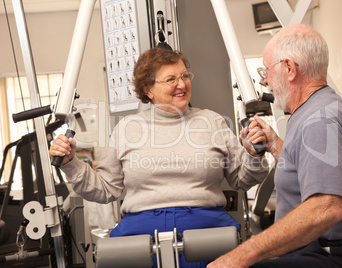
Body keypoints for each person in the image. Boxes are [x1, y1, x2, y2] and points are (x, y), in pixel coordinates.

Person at [49, 48, 269, 268]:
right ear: (148, 90)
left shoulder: (212, 122)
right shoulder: (127, 129)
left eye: (184, 76)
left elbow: (242, 179)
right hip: (140, 233)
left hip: (205, 229)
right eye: (171, 79)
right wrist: (71, 164)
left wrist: (254, 154)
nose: (182, 84)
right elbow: (106, 189)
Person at [207, 24, 342, 268]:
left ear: (289, 68)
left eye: (267, 70)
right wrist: (275, 145)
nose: (265, 81)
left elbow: (325, 208)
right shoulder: (314, 110)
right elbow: (312, 167)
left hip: (339, 257)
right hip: (325, 252)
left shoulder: (320, 119)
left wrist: (240, 256)